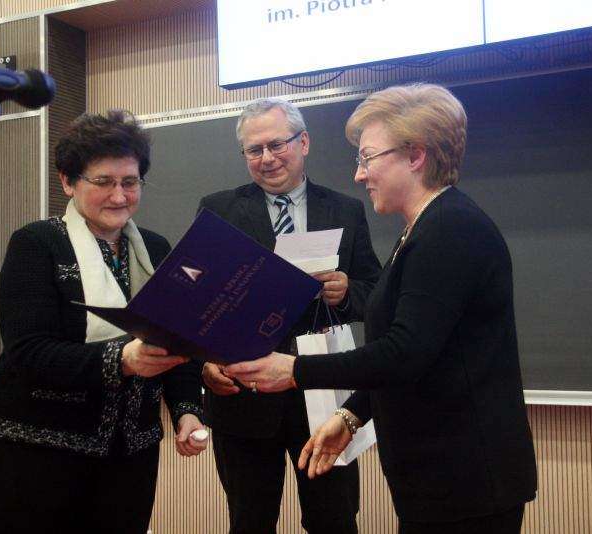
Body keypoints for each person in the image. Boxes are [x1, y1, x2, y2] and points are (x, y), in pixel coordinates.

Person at [225, 84, 538, 533]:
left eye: (368, 158)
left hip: (466, 478)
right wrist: (351, 414)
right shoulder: (424, 228)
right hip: (440, 477)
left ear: (415, 156)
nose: (359, 174)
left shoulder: (450, 230)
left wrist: (294, 370)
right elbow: (414, 353)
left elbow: (403, 353)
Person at [0, 110, 207, 534]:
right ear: (68, 182)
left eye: (130, 182)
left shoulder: (155, 248)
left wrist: (187, 411)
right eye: (103, 182)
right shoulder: (37, 243)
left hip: (127, 459)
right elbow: (29, 352)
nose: (119, 196)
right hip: (32, 455)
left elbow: (175, 341)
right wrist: (123, 359)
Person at [197, 97, 381, 534]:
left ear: (304, 143)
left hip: (323, 393)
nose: (267, 158)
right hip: (243, 394)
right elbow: (198, 303)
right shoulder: (218, 210)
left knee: (334, 520)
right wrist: (204, 362)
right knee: (249, 522)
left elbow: (375, 291)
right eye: (254, 149)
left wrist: (346, 292)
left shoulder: (345, 209)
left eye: (277, 145)